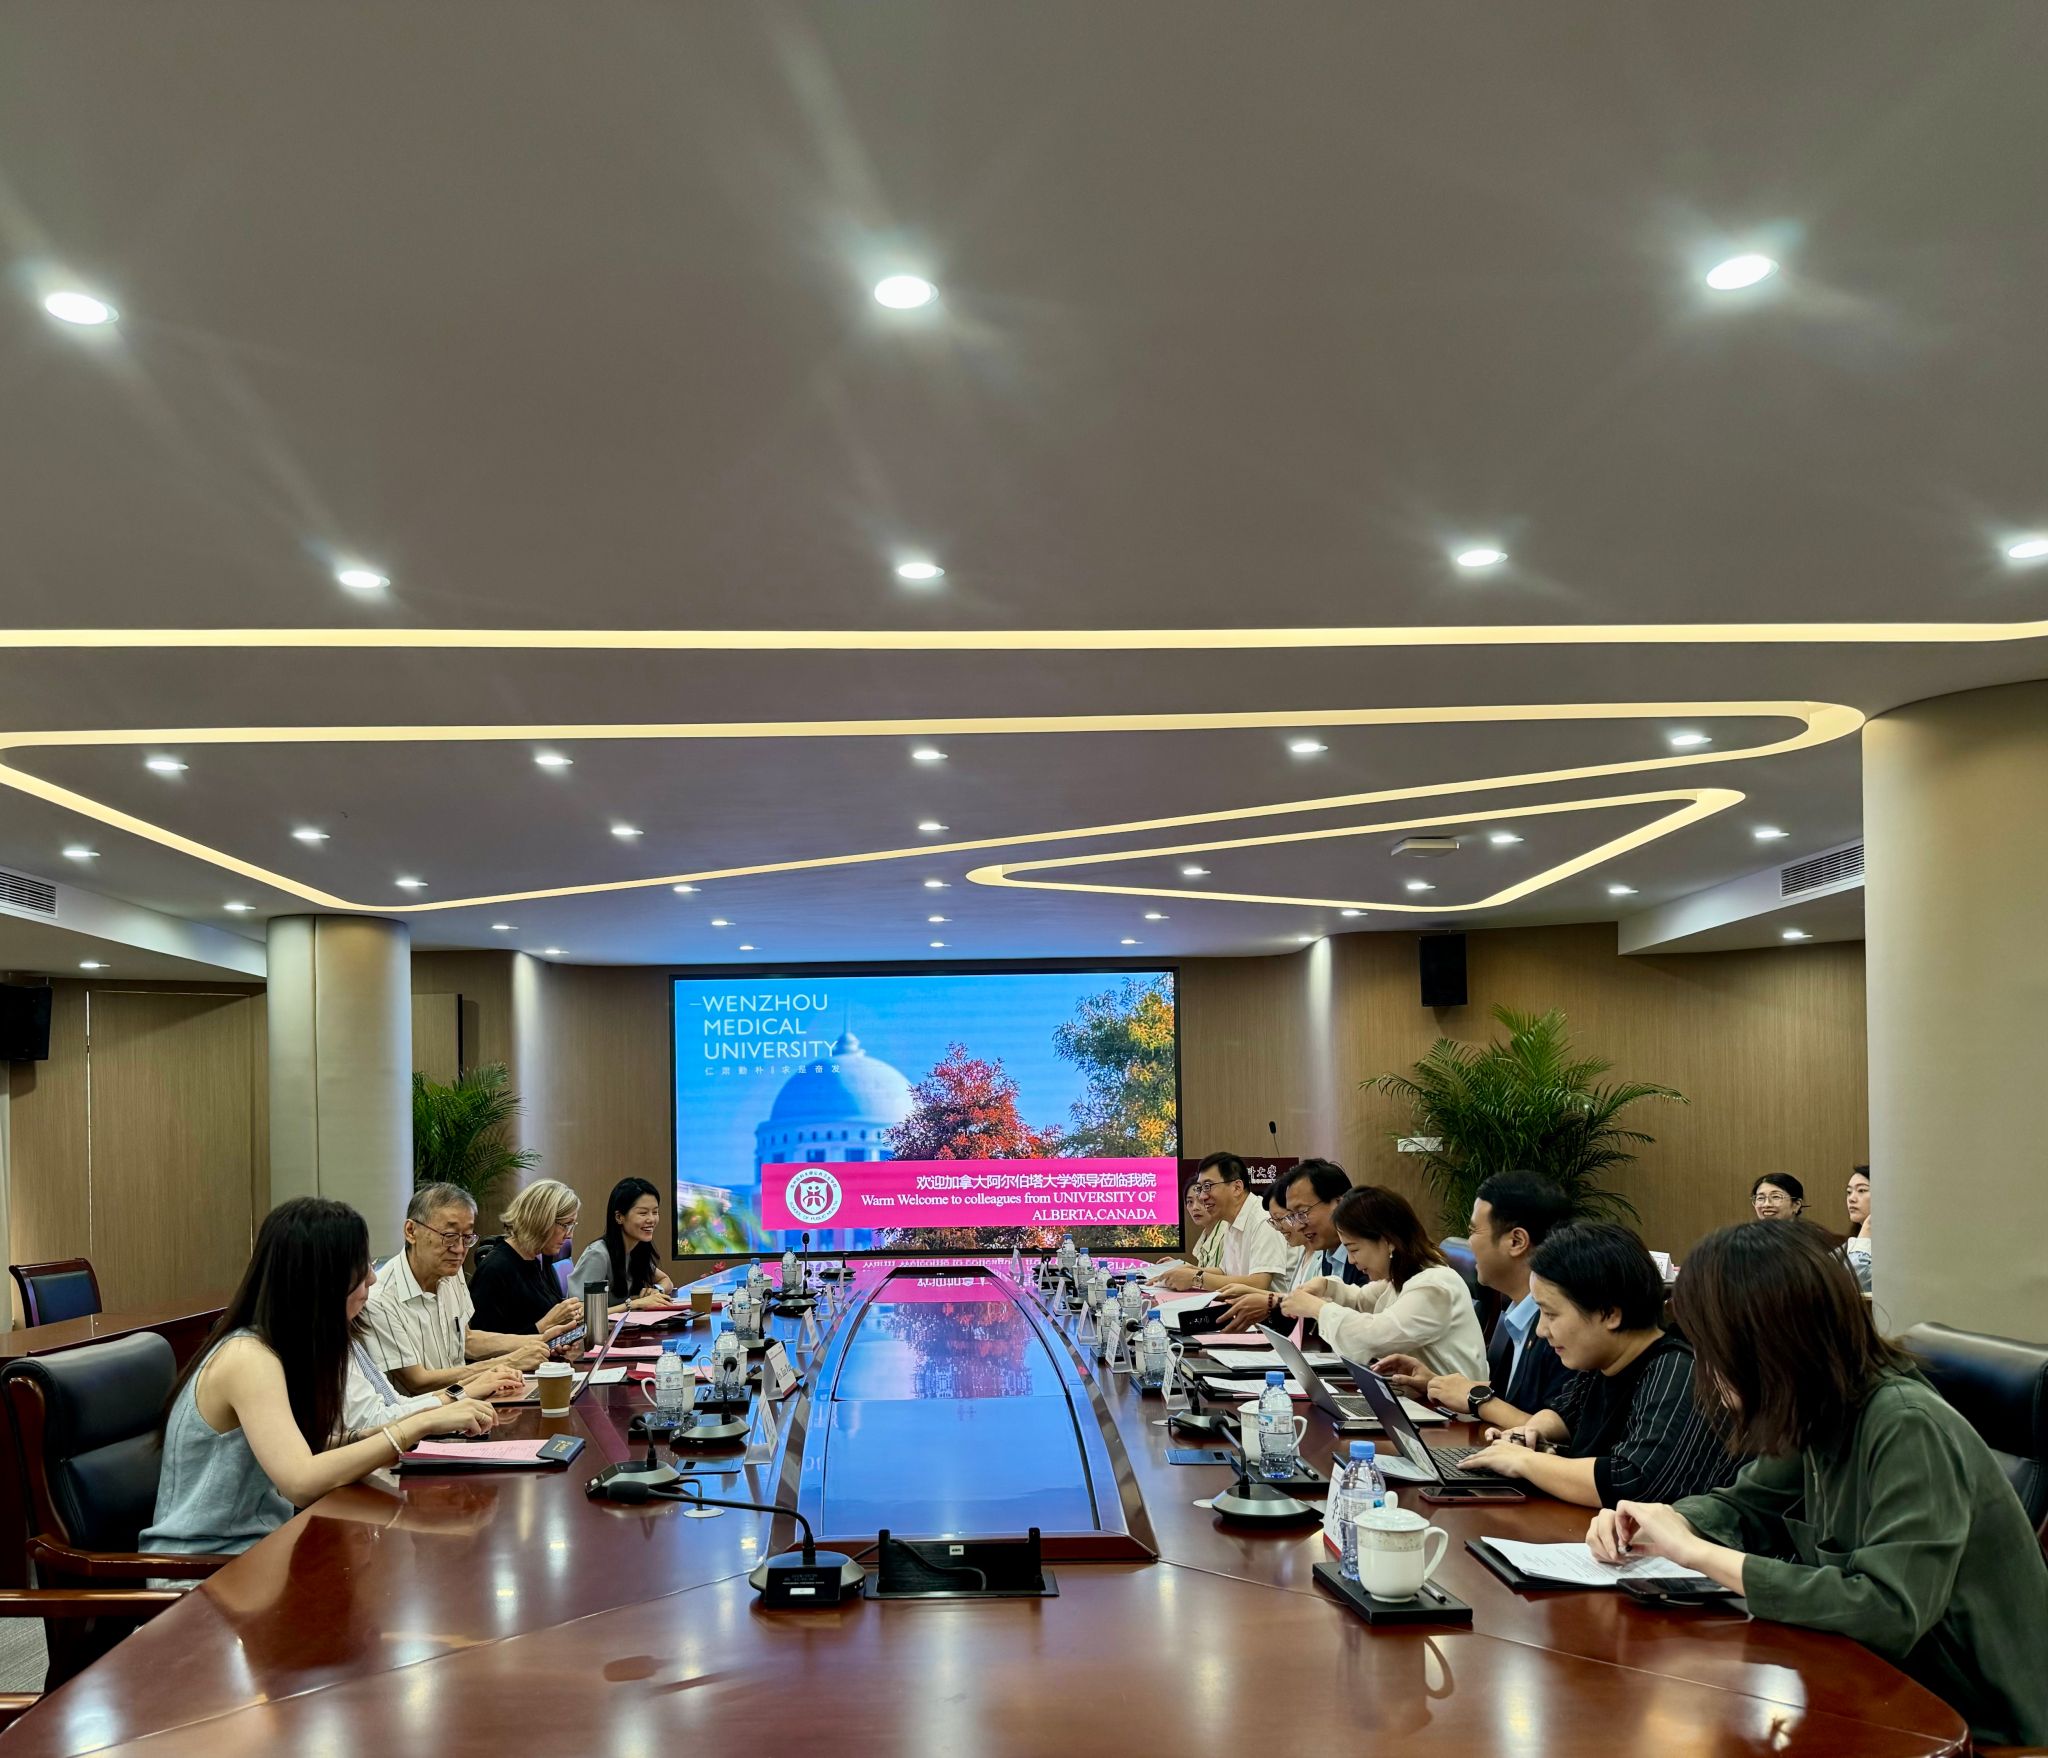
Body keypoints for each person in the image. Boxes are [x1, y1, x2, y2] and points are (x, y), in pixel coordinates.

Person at [1587, 1221, 2048, 1749]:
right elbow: (1745, 1506)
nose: (1706, 1371)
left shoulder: (1906, 1425)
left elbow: (1888, 1609)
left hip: (1976, 1726)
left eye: (1712, 1349)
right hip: (1876, 1685)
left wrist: (1697, 1553)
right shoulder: (1820, 1405)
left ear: (1766, 1345)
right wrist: (1663, 1521)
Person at [141, 1198, 498, 1561]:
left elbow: (307, 1446)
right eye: (361, 1267)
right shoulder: (247, 1357)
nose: (372, 1278)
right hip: (205, 1568)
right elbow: (301, 1482)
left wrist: (381, 1434)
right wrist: (418, 1425)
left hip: (263, 1551)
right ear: (321, 1279)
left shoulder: (286, 1346)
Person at [1459, 1221, 1739, 1507]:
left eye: (1551, 1314)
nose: (1541, 1330)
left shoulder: (1676, 1371)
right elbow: (1564, 1412)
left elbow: (1633, 1481)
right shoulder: (1602, 1363)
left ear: (1609, 1314)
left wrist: (1525, 1462)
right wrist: (1531, 1432)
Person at [1374, 1169, 1577, 1425]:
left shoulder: (1561, 1327)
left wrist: (1475, 1399)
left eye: (1473, 1231)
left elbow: (1560, 1431)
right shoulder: (1517, 1311)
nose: (1469, 1242)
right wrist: (1436, 1383)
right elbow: (1511, 1400)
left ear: (1516, 1241)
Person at [363, 1184, 578, 1397]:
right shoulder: (380, 1299)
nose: (459, 1249)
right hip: (428, 1411)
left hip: (466, 1398)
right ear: (411, 1231)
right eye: (449, 1236)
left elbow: (467, 1340)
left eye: (467, 1238)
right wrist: (509, 1362)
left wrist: (540, 1341)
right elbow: (418, 1382)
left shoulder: (450, 1270)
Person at [1279, 1185, 1488, 1379]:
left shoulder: (1434, 1286)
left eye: (1354, 1249)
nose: (1351, 1260)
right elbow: (1360, 1300)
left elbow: (1373, 1337)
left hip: (1449, 1405)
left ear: (1388, 1241)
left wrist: (1317, 1308)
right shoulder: (1402, 1277)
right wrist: (1326, 1286)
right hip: (1421, 1398)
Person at [1218, 1159, 1354, 1330]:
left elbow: (1359, 1322)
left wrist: (1273, 1302)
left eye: (1302, 1212)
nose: (1297, 1226)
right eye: (1292, 1216)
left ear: (1339, 1204)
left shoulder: (1363, 1254)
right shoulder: (1329, 1255)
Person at [1149, 1154, 1290, 1293]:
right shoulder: (1231, 1219)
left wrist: (1195, 1278)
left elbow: (1259, 1283)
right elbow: (1225, 1272)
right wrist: (1186, 1271)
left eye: (1208, 1186)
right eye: (1200, 1188)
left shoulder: (1263, 1219)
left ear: (1237, 1188)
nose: (1202, 1196)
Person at [469, 1179, 586, 1339]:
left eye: (572, 1226)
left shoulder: (535, 1259)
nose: (569, 1235)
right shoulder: (495, 1269)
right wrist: (547, 1324)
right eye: (566, 1225)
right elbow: (485, 1345)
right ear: (541, 1221)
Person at [569, 1177, 678, 1308]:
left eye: (655, 1212)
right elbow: (581, 1312)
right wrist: (632, 1305)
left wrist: (657, 1290)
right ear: (619, 1217)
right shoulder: (598, 1255)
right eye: (643, 1213)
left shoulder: (635, 1250)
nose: (651, 1219)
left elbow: (666, 1281)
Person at [1843, 1164, 1873, 1291]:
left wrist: (1868, 1228)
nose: (1851, 1199)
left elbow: (1855, 1282)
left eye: (1861, 1190)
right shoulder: (1848, 1245)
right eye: (1849, 1192)